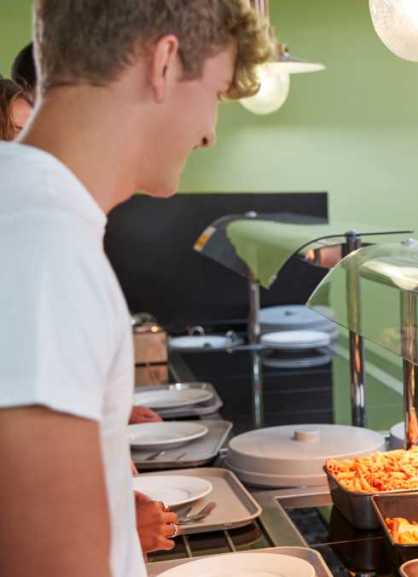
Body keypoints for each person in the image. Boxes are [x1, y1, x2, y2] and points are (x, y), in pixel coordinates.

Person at [0, 3, 273, 577]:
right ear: (164, 64)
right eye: (215, 92)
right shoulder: (42, 243)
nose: (209, 133)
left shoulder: (35, 218)